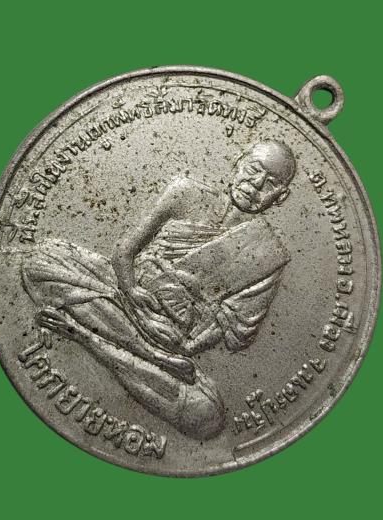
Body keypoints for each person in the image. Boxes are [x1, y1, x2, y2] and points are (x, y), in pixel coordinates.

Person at [21, 141, 296, 440]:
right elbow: (124, 251)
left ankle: (91, 335)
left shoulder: (268, 254)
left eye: (270, 184)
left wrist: (182, 347)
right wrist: (131, 289)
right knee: (39, 261)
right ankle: (146, 356)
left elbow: (229, 326)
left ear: (281, 197)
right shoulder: (185, 192)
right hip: (121, 292)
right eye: (253, 169)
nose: (256, 184)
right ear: (238, 162)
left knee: (206, 417)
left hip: (167, 334)